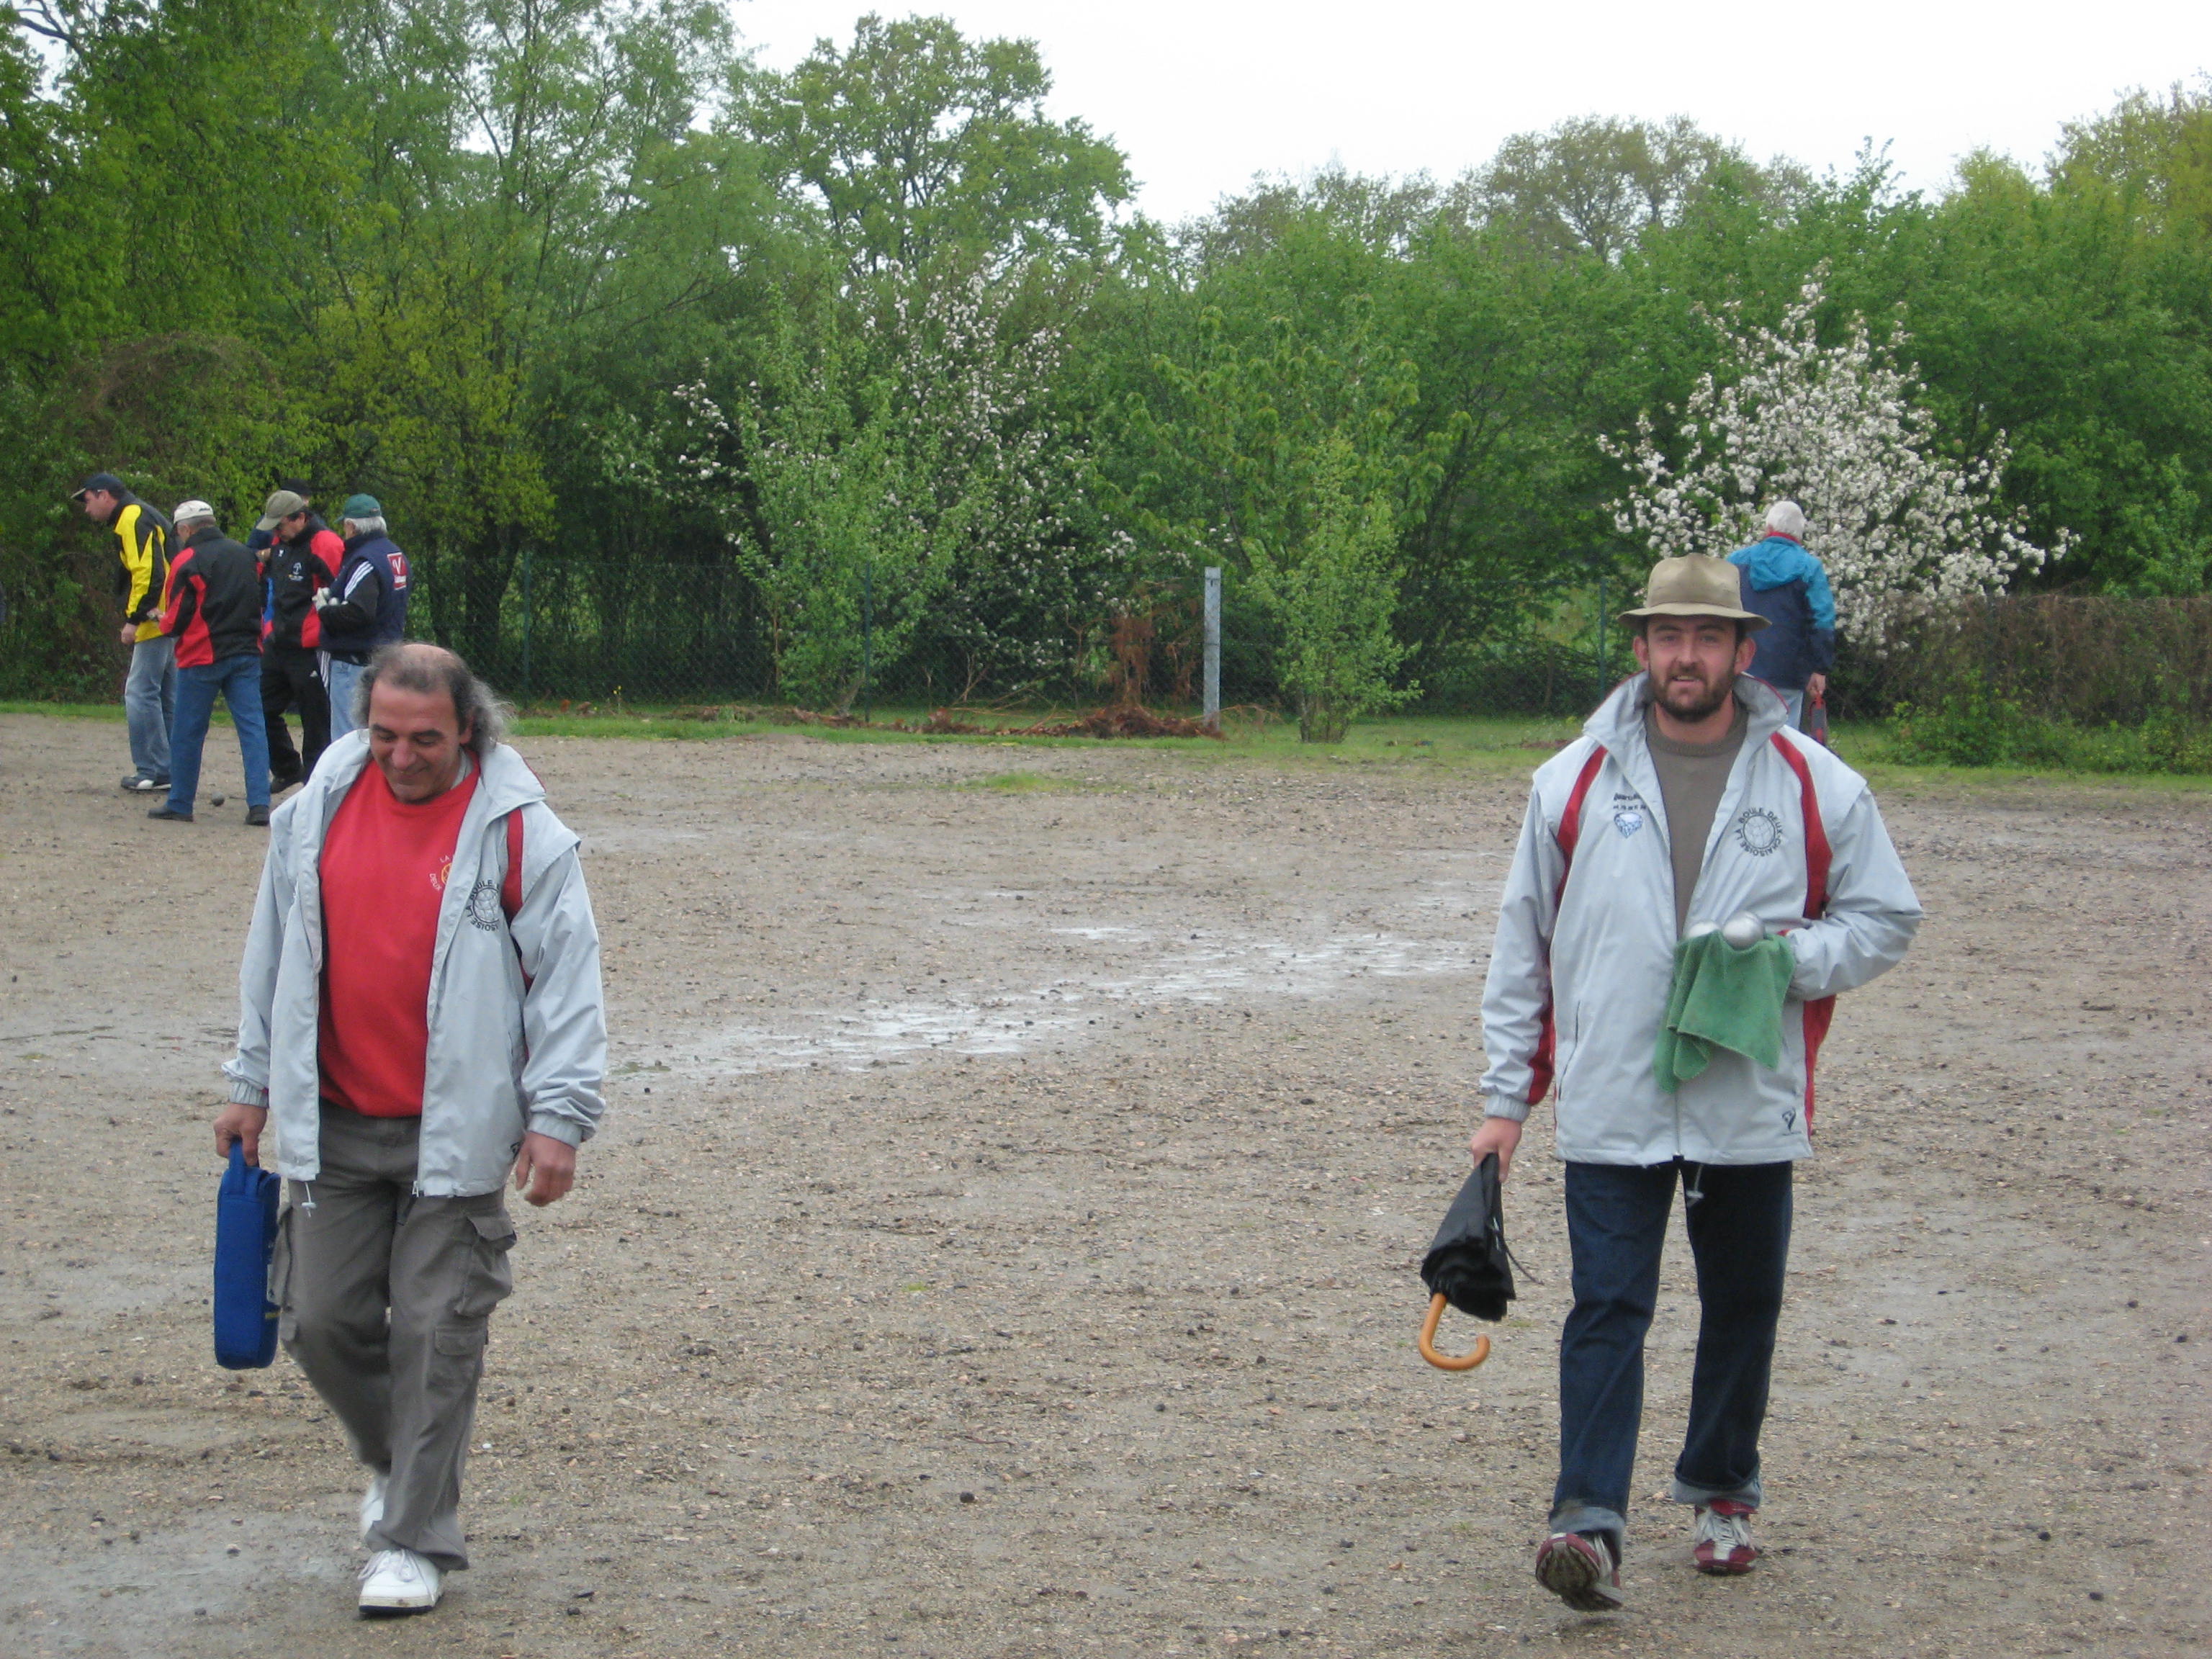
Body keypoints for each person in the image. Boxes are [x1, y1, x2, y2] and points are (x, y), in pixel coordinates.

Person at [1472, 554, 1920, 1612]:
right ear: (1640, 648)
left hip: (1744, 1102)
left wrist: (1783, 963)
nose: (1687, 655)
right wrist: (1505, 1104)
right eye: (1668, 636)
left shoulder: (1814, 780)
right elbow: (1521, 945)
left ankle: (1723, 1492)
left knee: (1742, 1306)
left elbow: (1886, 918)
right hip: (1613, 1096)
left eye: (1708, 637)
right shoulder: (1570, 778)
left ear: (1743, 652)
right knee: (1606, 1308)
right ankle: (1586, 1522)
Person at [212, 642, 606, 1618]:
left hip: (456, 1134)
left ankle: (413, 1537)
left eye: (424, 738)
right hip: (332, 1123)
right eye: (383, 734)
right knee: (321, 1322)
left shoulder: (523, 833)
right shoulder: (309, 817)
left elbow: (567, 981)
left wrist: (558, 1118)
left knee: (437, 1329)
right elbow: (271, 953)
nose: (401, 755)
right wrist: (251, 1083)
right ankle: (400, 1463)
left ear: (467, 727)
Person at [147, 503, 272, 827]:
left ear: (186, 529)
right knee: (253, 729)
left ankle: (180, 802)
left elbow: (177, 615)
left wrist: (161, 623)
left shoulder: (187, 560)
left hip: (202, 655)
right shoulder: (247, 556)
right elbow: (260, 598)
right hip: (246, 652)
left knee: (188, 731)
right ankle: (259, 804)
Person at [72, 472, 174, 793]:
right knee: (166, 694)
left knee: (140, 693)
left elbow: (148, 572)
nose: (87, 509)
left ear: (104, 495)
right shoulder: (139, 514)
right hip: (171, 614)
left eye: (88, 501)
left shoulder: (132, 516)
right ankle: (172, 768)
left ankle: (154, 770)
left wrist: (135, 618)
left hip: (155, 616)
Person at [254, 488, 342, 789]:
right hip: (279, 642)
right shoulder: (280, 543)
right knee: (259, 708)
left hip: (311, 647)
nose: (276, 532)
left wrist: (324, 633)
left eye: (280, 525)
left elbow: (341, 592)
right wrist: (269, 630)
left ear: (301, 518)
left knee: (315, 719)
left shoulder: (326, 544)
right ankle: (287, 766)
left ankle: (315, 786)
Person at [1728, 501, 1835, 730]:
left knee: (1740, 735)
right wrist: (1820, 668)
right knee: (1784, 741)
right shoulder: (1810, 568)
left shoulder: (1735, 562)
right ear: (1800, 533)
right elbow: (1823, 621)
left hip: (1739, 667)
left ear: (1768, 528)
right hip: (1789, 673)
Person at [318, 495, 412, 742]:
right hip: (385, 659)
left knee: (349, 740)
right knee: (378, 735)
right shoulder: (395, 554)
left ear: (352, 526)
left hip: (354, 662)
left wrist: (325, 610)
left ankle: (354, 783)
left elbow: (359, 612)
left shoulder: (364, 559)